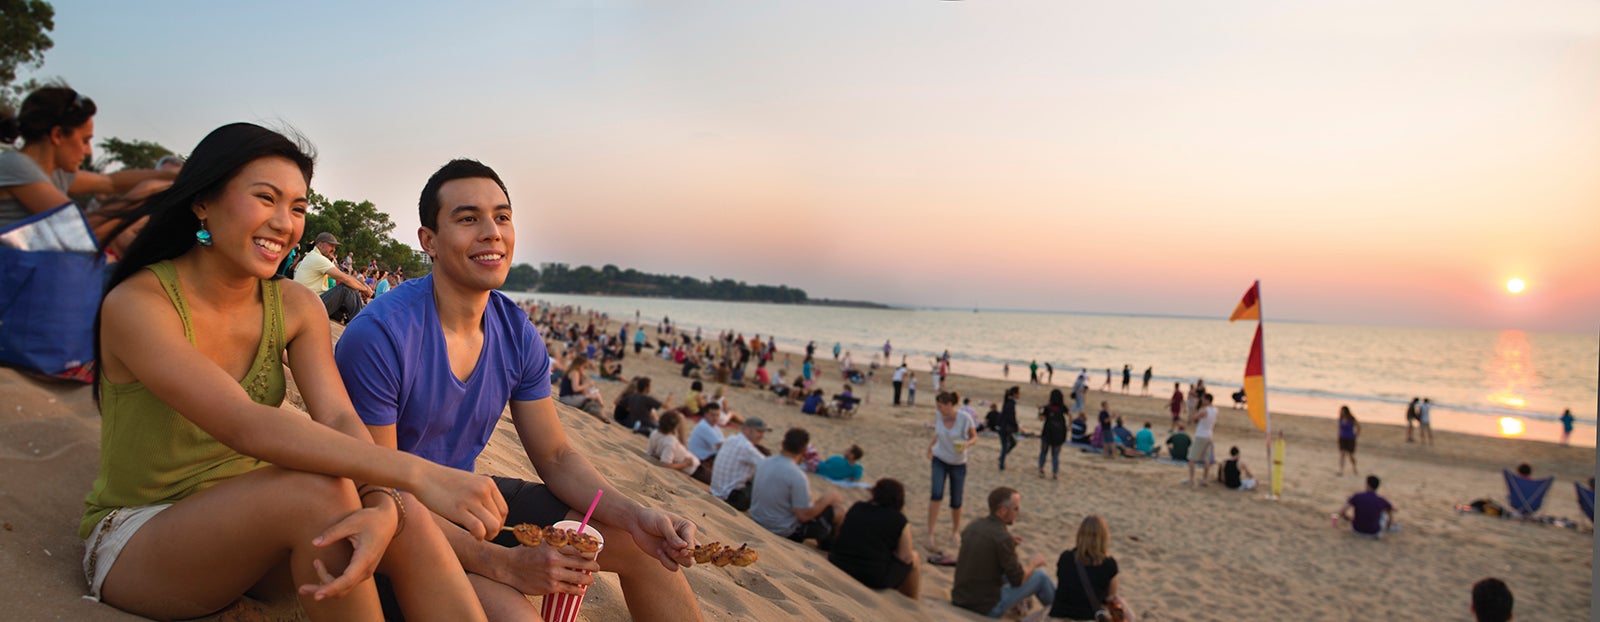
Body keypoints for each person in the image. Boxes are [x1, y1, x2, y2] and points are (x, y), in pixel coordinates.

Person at [84, 123, 494, 621]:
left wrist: (387, 497)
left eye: (297, 208)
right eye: (266, 198)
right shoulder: (140, 304)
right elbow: (246, 424)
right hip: (143, 539)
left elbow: (340, 419)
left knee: (397, 515)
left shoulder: (296, 306)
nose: (285, 223)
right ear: (203, 202)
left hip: (258, 533)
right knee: (319, 493)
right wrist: (418, 472)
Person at [334, 159, 701, 620]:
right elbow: (378, 489)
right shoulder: (382, 335)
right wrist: (501, 564)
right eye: (468, 218)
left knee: (639, 544)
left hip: (469, 506)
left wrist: (634, 514)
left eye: (502, 217)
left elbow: (555, 457)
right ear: (429, 240)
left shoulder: (515, 330)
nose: (492, 232)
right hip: (390, 530)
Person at [0, 86, 175, 233]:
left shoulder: (54, 173)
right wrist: (145, 193)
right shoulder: (16, 165)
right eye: (85, 140)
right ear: (57, 135)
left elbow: (110, 183)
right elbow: (79, 231)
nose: (89, 151)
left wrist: (175, 175)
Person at [950, 487, 1054, 618]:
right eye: (1015, 508)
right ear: (1003, 511)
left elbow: (987, 554)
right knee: (1040, 577)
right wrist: (1033, 564)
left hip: (961, 598)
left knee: (1009, 572)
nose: (1018, 512)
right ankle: (1064, 612)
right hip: (985, 608)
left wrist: (1008, 545)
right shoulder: (1002, 538)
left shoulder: (973, 525)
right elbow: (1018, 579)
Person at [750, 428, 843, 548]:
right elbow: (803, 516)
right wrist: (828, 499)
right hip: (781, 529)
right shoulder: (797, 475)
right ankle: (830, 548)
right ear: (804, 451)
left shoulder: (764, 462)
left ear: (783, 444)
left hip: (757, 517)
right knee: (838, 511)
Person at [829, 478, 920, 598]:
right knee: (914, 557)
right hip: (872, 577)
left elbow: (840, 533)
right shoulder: (899, 520)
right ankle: (912, 601)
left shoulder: (858, 507)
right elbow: (905, 557)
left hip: (838, 562)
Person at [1048, 515, 1133, 621]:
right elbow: (1111, 597)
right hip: (1088, 618)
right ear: (1104, 537)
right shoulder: (1108, 564)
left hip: (1058, 617)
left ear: (1080, 535)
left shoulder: (1065, 557)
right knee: (1125, 610)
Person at [928, 391, 978, 549]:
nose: (938, 409)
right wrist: (930, 447)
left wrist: (966, 444)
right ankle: (930, 533)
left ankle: (955, 532)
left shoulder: (964, 418)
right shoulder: (938, 416)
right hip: (939, 459)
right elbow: (937, 434)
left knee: (956, 500)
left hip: (958, 462)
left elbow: (974, 437)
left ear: (950, 405)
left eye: (940, 406)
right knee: (936, 494)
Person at [292, 231, 374, 322]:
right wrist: (365, 289)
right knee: (345, 288)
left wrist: (362, 286)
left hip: (306, 303)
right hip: (308, 305)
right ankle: (359, 322)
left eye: (334, 247)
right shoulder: (318, 258)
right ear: (320, 245)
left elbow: (345, 276)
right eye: (331, 245)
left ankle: (355, 318)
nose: (334, 249)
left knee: (349, 291)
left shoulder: (313, 256)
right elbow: (345, 279)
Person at [710, 418, 772, 511]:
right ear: (747, 429)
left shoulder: (731, 439)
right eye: (759, 432)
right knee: (766, 478)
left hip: (716, 491)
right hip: (731, 499)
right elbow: (770, 467)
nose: (762, 436)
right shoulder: (746, 447)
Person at [647, 411, 701, 476]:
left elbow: (650, 453)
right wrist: (685, 464)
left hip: (693, 463)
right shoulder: (670, 441)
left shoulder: (655, 433)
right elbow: (665, 465)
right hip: (693, 468)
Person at [555, 354, 606, 420]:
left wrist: (584, 381)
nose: (584, 368)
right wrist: (588, 385)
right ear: (579, 364)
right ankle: (603, 414)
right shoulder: (575, 373)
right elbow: (575, 389)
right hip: (566, 398)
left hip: (569, 397)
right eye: (584, 366)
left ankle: (602, 414)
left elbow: (582, 391)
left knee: (594, 397)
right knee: (595, 396)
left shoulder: (577, 372)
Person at [1187, 393, 1218, 486]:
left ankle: (1191, 479)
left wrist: (1193, 407)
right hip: (1209, 435)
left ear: (1207, 400)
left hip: (1201, 435)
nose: (1202, 401)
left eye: (1203, 399)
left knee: (1192, 458)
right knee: (1206, 459)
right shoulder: (1215, 410)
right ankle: (1205, 479)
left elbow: (1191, 419)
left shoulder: (1204, 411)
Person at [1037, 389, 1069, 479]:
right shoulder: (1063, 407)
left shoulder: (1048, 407)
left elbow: (1041, 418)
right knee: (1055, 454)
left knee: (1043, 452)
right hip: (1059, 433)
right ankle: (1055, 473)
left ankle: (1041, 469)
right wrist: (1069, 426)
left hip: (1047, 432)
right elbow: (1070, 415)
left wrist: (1039, 411)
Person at [997, 387, 1020, 470]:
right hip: (1006, 428)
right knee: (1006, 445)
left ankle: (1001, 459)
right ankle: (1001, 463)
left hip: (1003, 427)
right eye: (1018, 393)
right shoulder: (1011, 403)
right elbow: (1011, 417)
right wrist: (1016, 425)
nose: (1019, 395)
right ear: (1015, 394)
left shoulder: (1007, 402)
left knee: (1011, 443)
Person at [1337, 405, 1360, 476]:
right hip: (1342, 438)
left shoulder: (1351, 419)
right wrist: (1338, 436)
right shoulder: (1340, 419)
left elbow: (1358, 426)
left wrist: (1356, 435)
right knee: (1342, 454)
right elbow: (1339, 428)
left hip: (1350, 438)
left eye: (1343, 411)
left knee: (1351, 455)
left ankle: (1354, 468)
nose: (1342, 412)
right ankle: (1341, 470)